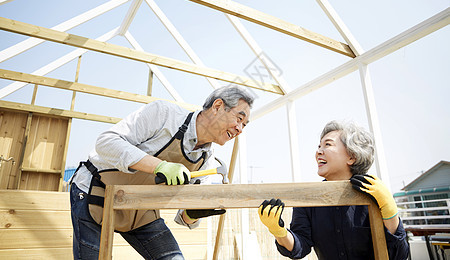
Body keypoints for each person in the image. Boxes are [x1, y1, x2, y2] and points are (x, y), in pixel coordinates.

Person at [70, 85, 254, 260]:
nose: (240, 129)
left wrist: (193, 213)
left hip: (141, 210)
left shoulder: (207, 160)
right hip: (95, 192)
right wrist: (159, 166)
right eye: (239, 118)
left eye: (244, 125)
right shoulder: (164, 114)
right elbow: (106, 142)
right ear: (218, 106)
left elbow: (184, 218)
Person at [258, 120, 409, 259]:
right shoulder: (308, 198)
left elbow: (399, 255)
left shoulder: (374, 194)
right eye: (319, 146)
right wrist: (279, 231)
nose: (318, 152)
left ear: (352, 156)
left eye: (327, 145)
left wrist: (389, 209)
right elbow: (300, 247)